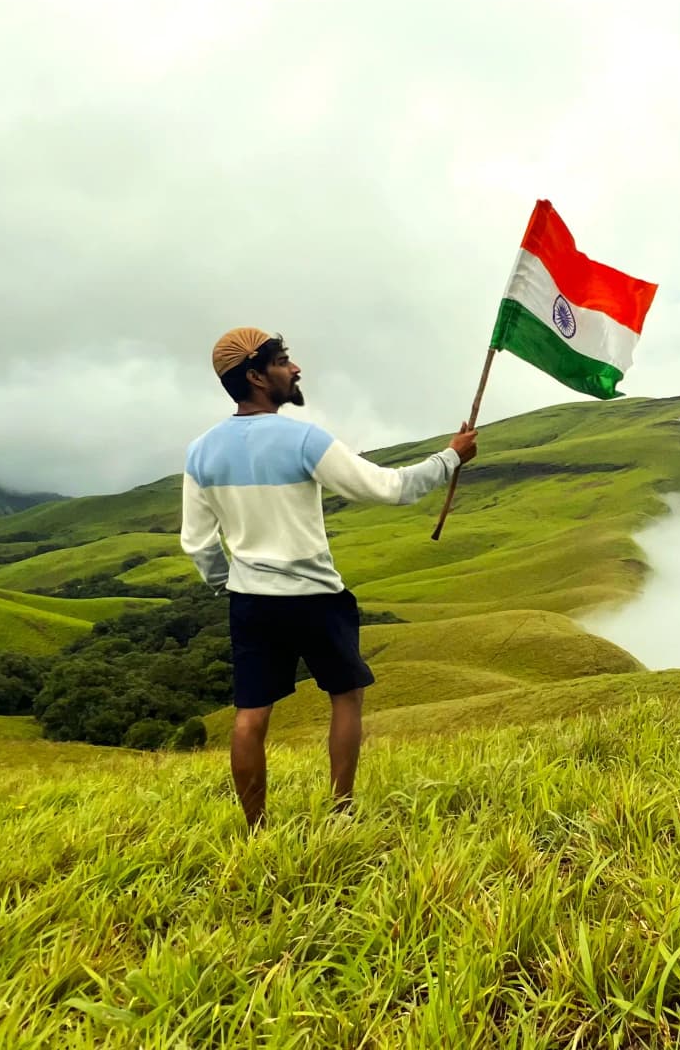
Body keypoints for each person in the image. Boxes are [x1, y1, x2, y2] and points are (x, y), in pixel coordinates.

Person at [180, 327, 476, 826]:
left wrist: (227, 584)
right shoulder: (303, 439)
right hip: (315, 596)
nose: (295, 369)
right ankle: (341, 812)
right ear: (256, 377)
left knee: (251, 715)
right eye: (283, 362)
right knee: (346, 697)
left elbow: (198, 542)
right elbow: (389, 489)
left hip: (251, 601)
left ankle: (256, 830)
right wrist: (450, 458)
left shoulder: (200, 451)